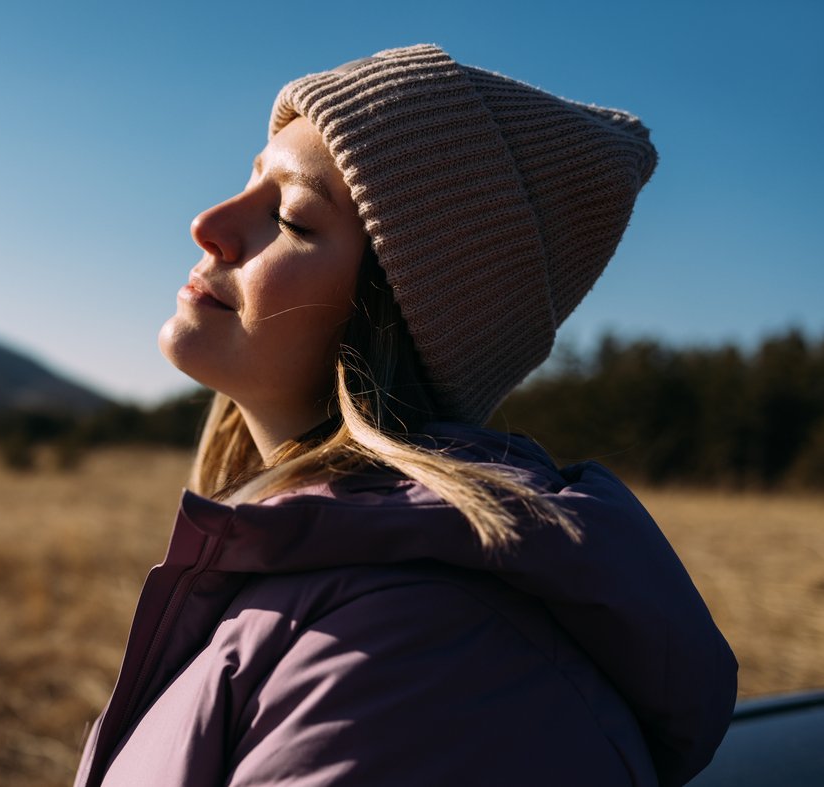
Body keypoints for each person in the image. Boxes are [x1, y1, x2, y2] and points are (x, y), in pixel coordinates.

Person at [73, 44, 737, 787]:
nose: (208, 222)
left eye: (290, 217)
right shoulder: (316, 577)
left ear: (390, 319)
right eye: (247, 183)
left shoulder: (413, 652)